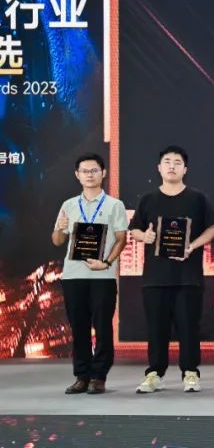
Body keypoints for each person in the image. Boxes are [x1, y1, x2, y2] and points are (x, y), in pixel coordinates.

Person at [129, 145, 214, 393]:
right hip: (155, 278)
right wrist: (144, 236)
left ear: (185, 169)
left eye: (177, 162)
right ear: (159, 168)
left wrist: (193, 245)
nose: (172, 166)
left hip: (188, 277)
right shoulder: (148, 199)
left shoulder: (197, 198)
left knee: (189, 328)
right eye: (167, 162)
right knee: (156, 329)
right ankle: (154, 374)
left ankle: (190, 373)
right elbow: (134, 229)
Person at [52, 153, 129, 395]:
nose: (89, 175)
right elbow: (57, 240)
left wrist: (105, 263)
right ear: (77, 175)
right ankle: (82, 376)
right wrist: (61, 229)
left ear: (103, 173)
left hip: (102, 276)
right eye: (84, 171)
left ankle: (99, 376)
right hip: (73, 275)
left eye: (94, 170)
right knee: (79, 327)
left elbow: (121, 239)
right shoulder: (68, 205)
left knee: (103, 327)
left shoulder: (114, 205)